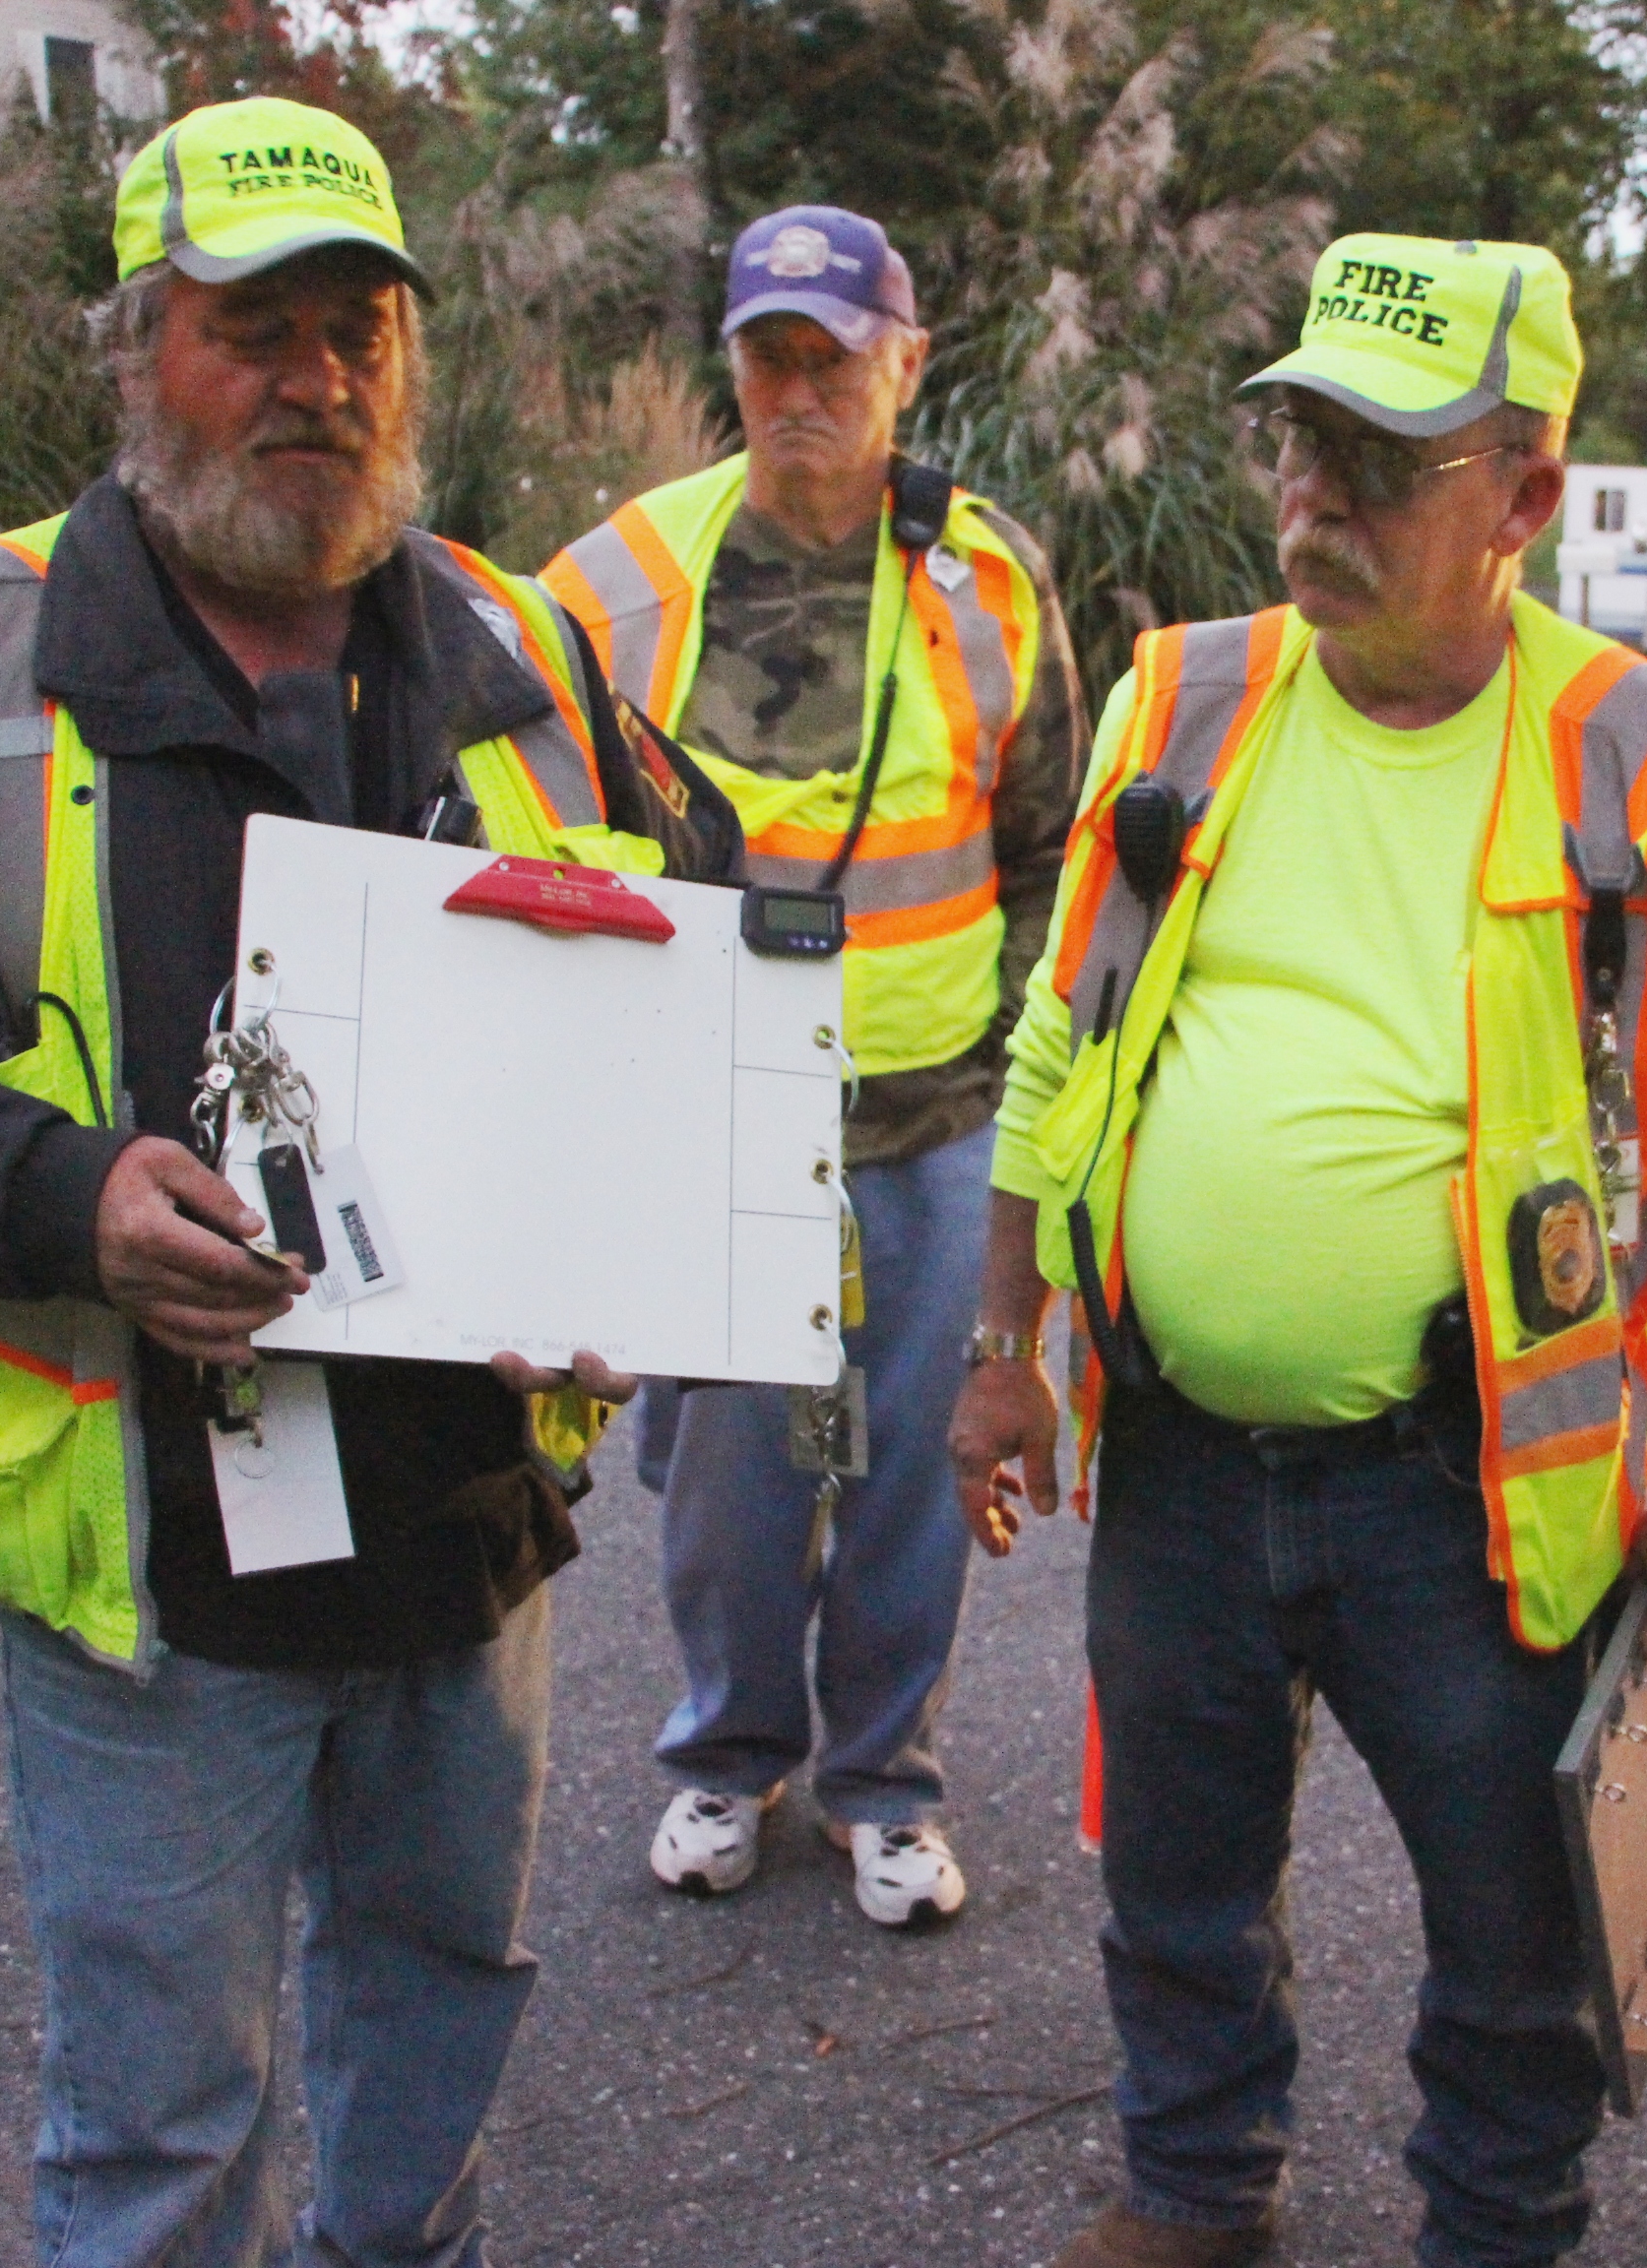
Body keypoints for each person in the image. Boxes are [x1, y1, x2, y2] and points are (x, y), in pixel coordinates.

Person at [0, 97, 737, 2268]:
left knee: (437, 2034)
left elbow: (690, 956)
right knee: (159, 2135)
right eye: (254, 330)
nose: (316, 381)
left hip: (460, 1530)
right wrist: (60, 1197)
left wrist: (637, 1235)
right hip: (155, 1557)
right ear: (136, 348)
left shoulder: (523, 649)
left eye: (359, 332)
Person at [949, 234, 1647, 2268]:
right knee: (1174, 1882)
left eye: (1380, 460)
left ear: (1528, 496)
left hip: (1467, 1483)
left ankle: (1496, 2232)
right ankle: (1197, 2193)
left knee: (1517, 1930)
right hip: (1174, 1451)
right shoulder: (1186, 695)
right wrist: (1002, 1345)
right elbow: (1062, 1038)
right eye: (1299, 445)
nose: (1316, 497)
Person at [544, 204, 1083, 1929]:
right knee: (730, 1490)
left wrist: (1029, 1086)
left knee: (915, 1476)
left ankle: (884, 1784)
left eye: (834, 360)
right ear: (732, 368)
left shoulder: (988, 578)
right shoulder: (622, 578)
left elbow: (1049, 850)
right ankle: (727, 1754)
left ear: (904, 367)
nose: (799, 392)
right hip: (718, 1123)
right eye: (768, 358)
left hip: (936, 1122)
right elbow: (533, 834)